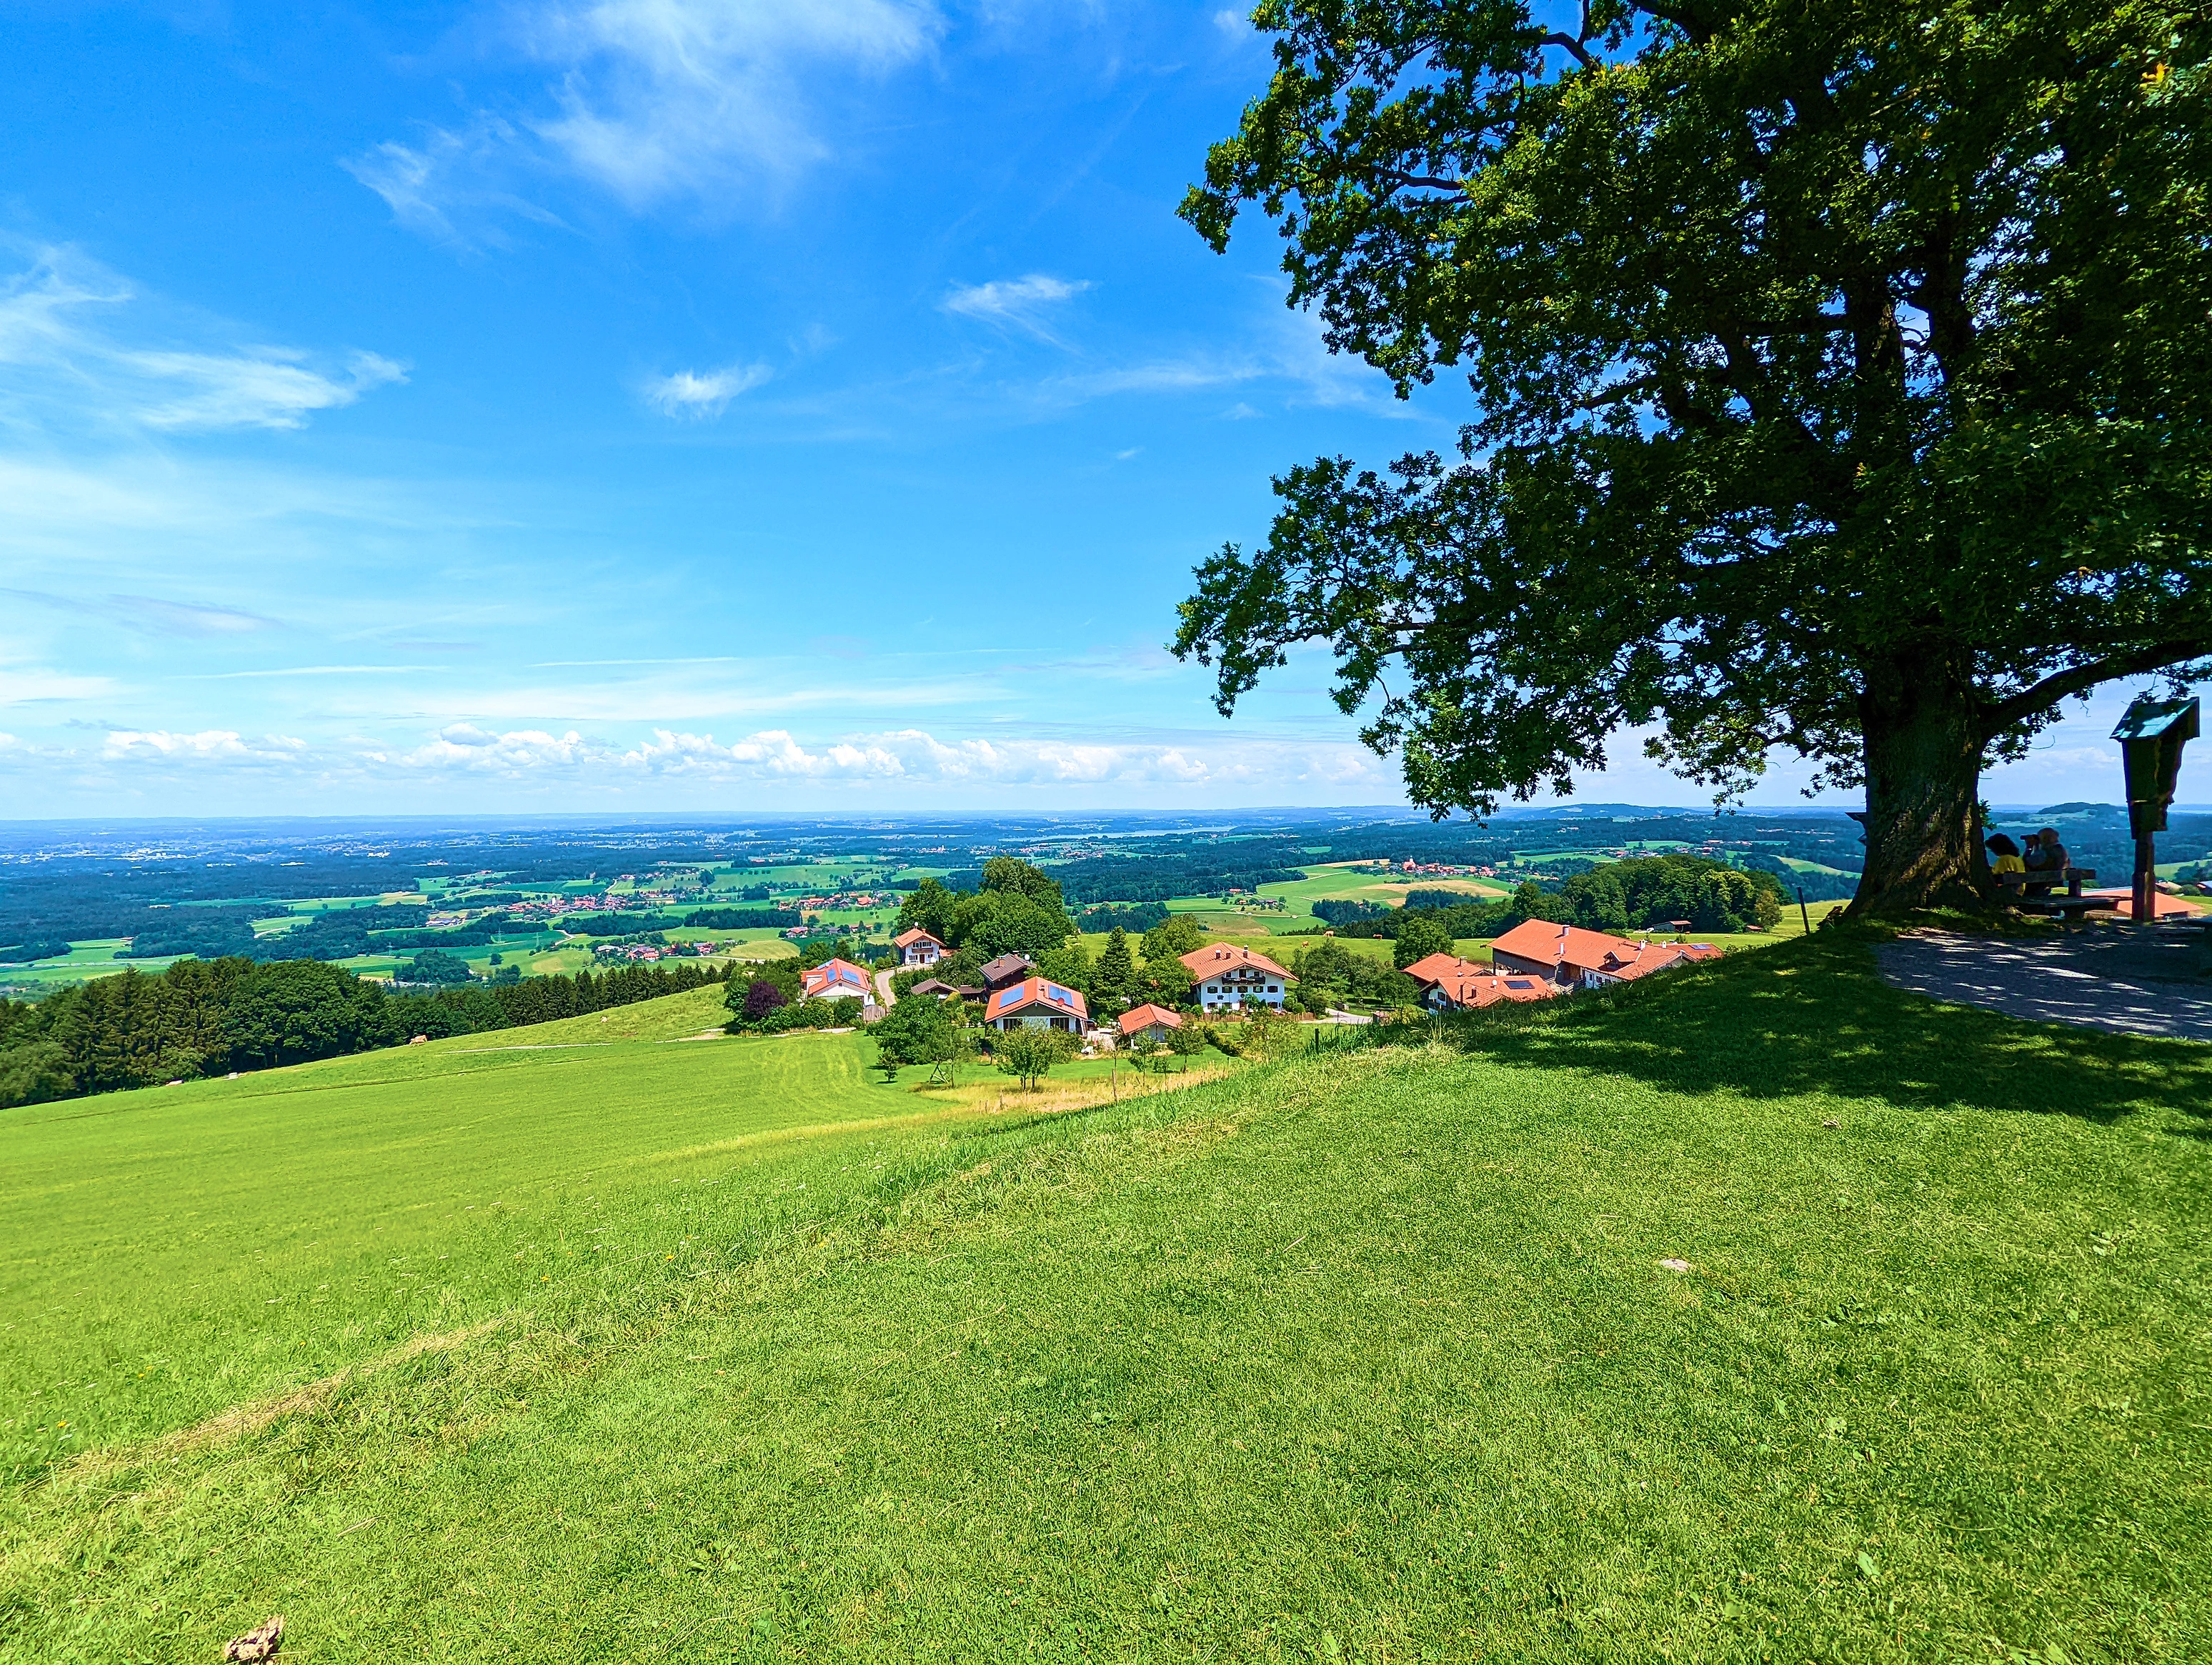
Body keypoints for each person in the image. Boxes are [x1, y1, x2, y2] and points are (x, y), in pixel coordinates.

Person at [2023, 827, 2069, 894]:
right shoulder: (2061, 850)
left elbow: (2027, 863)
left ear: (2044, 838)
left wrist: (2029, 848)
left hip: (2040, 889)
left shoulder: (2046, 852)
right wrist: (2037, 846)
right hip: (2056, 884)